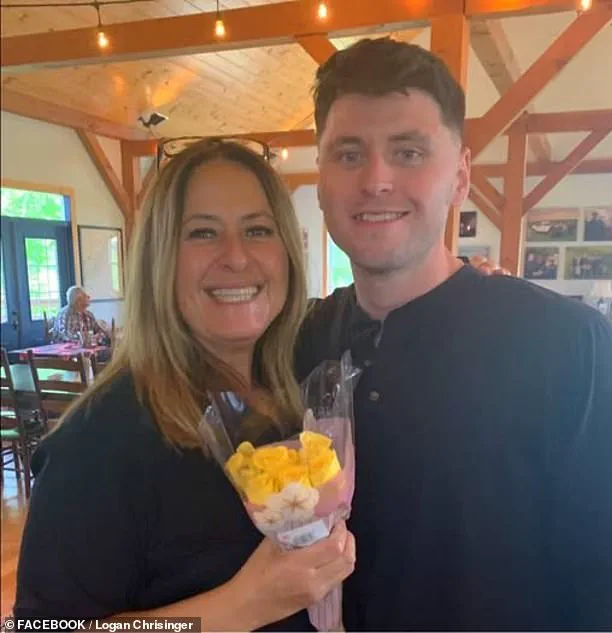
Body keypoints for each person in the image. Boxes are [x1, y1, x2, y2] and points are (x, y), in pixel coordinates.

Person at [294, 37, 612, 631]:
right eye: (348, 154)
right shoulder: (302, 341)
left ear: (460, 176)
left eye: (408, 152)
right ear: (320, 179)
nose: (376, 180)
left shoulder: (566, 345)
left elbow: (604, 583)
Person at [13, 140, 355, 629]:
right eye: (202, 233)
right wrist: (245, 603)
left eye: (258, 230)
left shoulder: (292, 395)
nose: (236, 257)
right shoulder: (100, 440)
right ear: (160, 261)